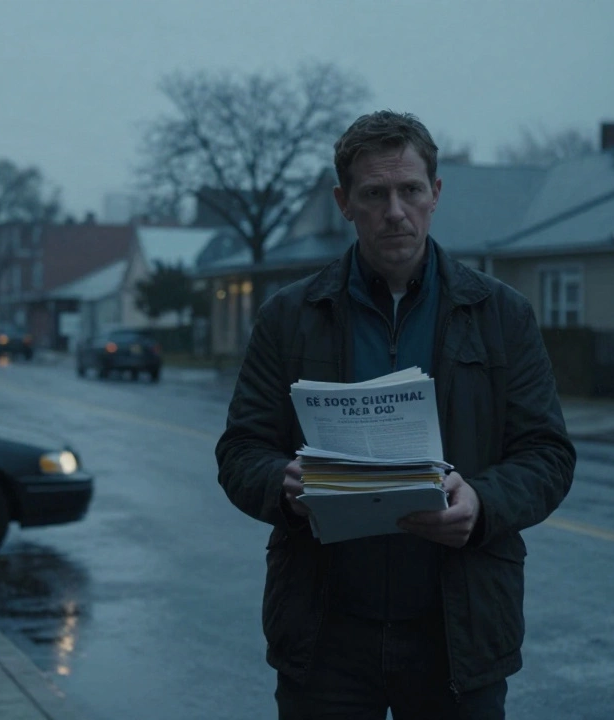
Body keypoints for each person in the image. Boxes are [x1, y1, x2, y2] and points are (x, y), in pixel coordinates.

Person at [215, 111, 576, 719]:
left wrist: (483, 503)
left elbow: (548, 454)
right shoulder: (289, 316)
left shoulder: (500, 316)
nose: (395, 210)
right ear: (343, 203)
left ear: (436, 194)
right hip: (324, 631)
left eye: (410, 190)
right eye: (374, 194)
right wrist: (283, 484)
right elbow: (240, 450)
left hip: (457, 629)